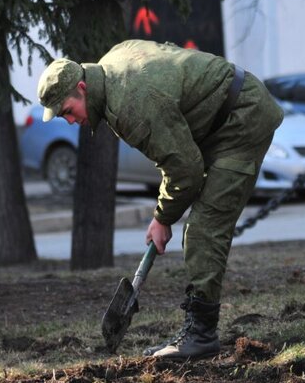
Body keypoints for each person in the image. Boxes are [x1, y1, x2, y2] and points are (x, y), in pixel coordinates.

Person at [37, 39, 284, 359]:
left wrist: (162, 217)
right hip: (217, 119)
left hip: (241, 120)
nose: (71, 121)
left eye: (69, 112)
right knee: (200, 225)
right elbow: (178, 156)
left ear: (82, 88)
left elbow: (186, 171)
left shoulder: (130, 103)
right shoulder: (112, 63)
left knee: (203, 228)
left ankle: (201, 334)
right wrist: (164, 215)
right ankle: (198, 330)